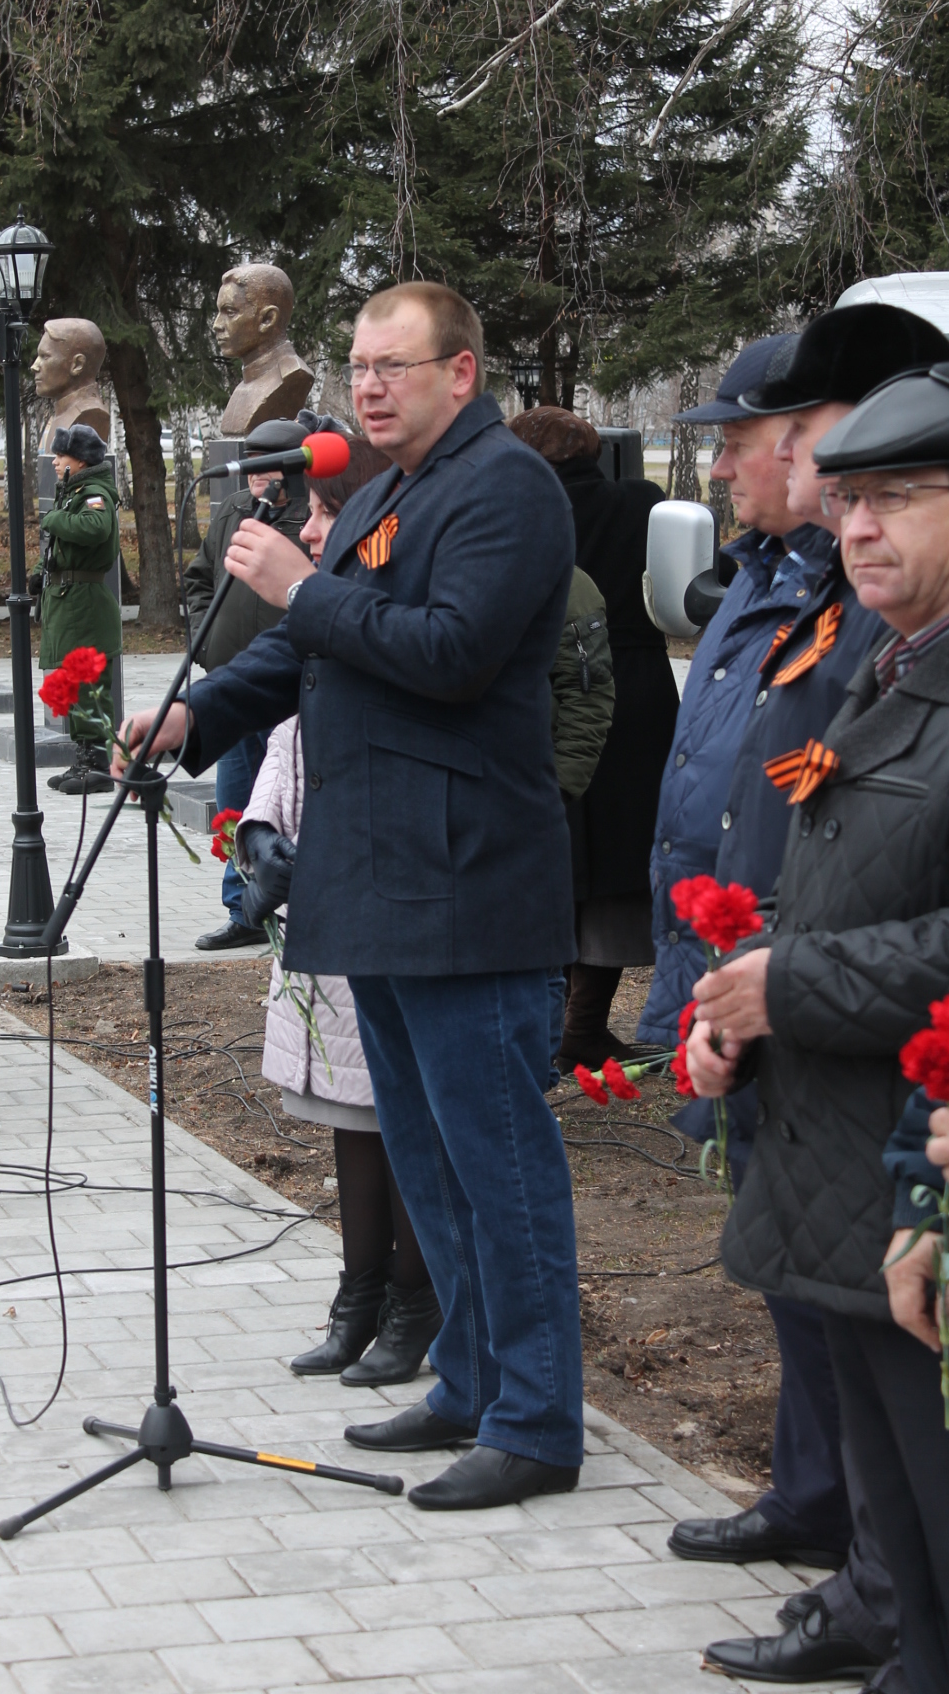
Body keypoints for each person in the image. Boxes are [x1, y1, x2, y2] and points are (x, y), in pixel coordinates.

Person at [118, 281, 585, 1511]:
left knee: (497, 1161)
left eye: (394, 366)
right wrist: (191, 713)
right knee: (427, 1158)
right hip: (376, 873)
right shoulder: (381, 491)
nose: (367, 387)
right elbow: (304, 647)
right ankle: (470, 1380)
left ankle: (537, 1421)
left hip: (467, 876)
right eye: (360, 366)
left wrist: (298, 583)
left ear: (462, 374)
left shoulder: (505, 491)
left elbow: (446, 650)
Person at [684, 358, 949, 1694]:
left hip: (931, 1178)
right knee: (908, 1564)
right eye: (849, 496)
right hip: (844, 1170)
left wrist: (786, 987)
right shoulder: (894, 664)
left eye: (898, 497)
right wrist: (740, 1004)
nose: (858, 525)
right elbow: (844, 886)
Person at [235, 435, 442, 1386]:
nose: (309, 529)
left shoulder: (390, 616)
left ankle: (415, 1301)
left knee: (400, 1118)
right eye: (307, 513)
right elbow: (287, 734)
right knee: (347, 1118)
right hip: (322, 901)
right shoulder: (322, 619)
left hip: (389, 898)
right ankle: (356, 1297)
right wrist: (261, 831)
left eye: (323, 512)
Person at [638, 336, 822, 1051]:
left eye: (735, 443)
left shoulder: (858, 593)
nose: (717, 469)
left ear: (805, 444)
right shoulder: (756, 569)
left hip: (794, 971)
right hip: (716, 948)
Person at [510, 408, 673, 1067]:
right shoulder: (640, 503)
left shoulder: (517, 514)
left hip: (548, 694)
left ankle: (557, 1029)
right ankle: (582, 1025)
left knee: (559, 860)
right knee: (616, 869)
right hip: (637, 694)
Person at [507, 414, 616, 1060]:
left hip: (541, 798)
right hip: (505, 801)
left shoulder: (571, 588)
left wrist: (558, 789)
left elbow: (587, 699)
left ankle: (546, 1055)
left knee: (547, 940)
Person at [182, 419, 312, 951]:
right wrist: (203, 641)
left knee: (282, 809)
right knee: (235, 805)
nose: (257, 478)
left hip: (286, 693)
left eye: (268, 466)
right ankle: (241, 911)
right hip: (231, 680)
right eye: (251, 464)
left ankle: (290, 907)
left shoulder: (311, 518)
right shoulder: (234, 511)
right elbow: (198, 578)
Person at [28, 423, 121, 795]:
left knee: (88, 683)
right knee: (74, 680)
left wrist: (52, 518)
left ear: (79, 461)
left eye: (60, 455)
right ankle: (84, 755)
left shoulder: (95, 493)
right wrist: (39, 573)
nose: (54, 462)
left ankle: (98, 762)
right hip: (69, 598)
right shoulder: (74, 491)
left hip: (85, 601)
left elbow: (95, 528)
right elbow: (57, 549)